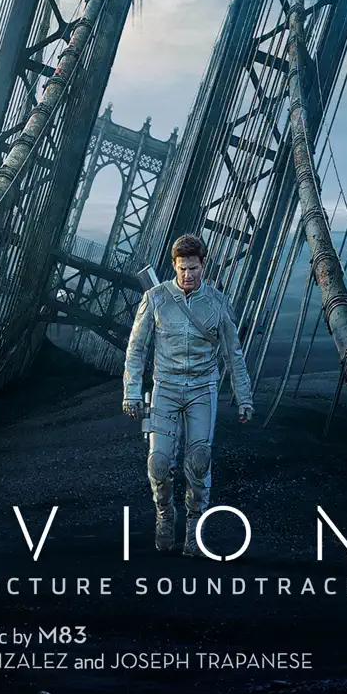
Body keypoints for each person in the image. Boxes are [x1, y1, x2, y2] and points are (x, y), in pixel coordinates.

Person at [122, 234, 254, 555]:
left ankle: (195, 526)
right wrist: (131, 391)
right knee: (158, 462)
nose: (187, 274)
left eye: (193, 268)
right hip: (165, 388)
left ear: (203, 265)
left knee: (198, 460)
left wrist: (245, 397)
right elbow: (136, 349)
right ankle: (164, 514)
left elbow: (233, 354)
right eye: (182, 268)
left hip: (201, 389)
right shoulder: (155, 298)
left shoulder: (218, 303)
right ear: (174, 266)